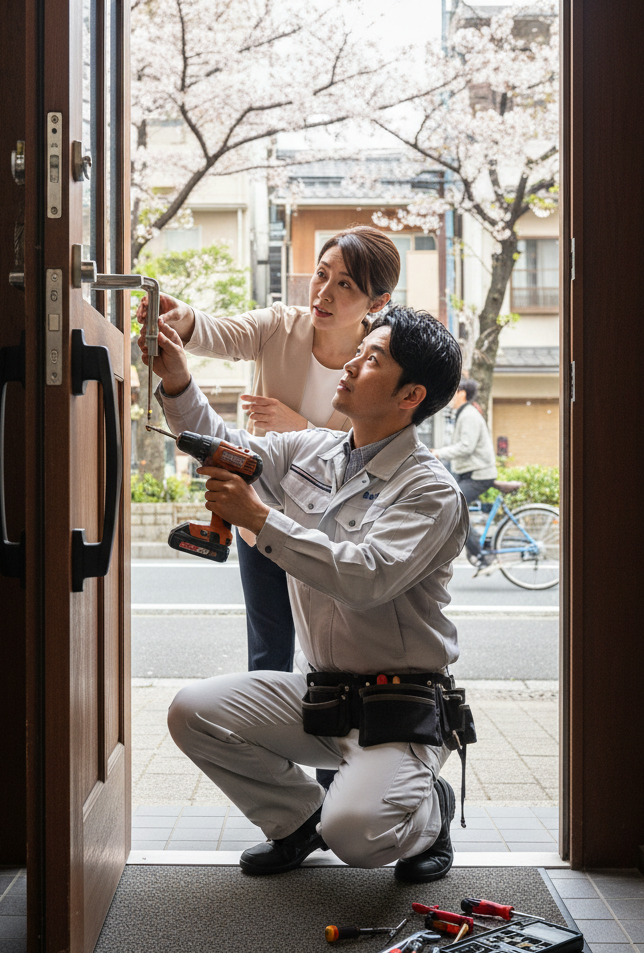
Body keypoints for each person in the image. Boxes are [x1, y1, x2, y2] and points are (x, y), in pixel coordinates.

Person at [140, 303, 468, 881]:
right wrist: (177, 380)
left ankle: (431, 812)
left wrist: (262, 521)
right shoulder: (310, 450)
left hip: (401, 705)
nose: (349, 366)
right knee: (192, 712)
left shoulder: (429, 490)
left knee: (360, 838)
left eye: (372, 360)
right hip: (324, 697)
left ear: (410, 395)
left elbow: (365, 578)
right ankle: (297, 820)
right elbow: (227, 449)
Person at [136, 228, 400, 684]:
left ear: (377, 303)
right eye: (322, 274)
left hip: (331, 533)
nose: (324, 292)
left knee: (335, 663)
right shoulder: (281, 325)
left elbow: (367, 452)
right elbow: (215, 331)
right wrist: (181, 320)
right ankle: (270, 753)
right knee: (268, 653)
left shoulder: (378, 362)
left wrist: (298, 427)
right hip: (256, 515)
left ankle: (330, 752)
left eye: (345, 285)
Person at [431, 378, 497, 571]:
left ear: (462, 394)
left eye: (455, 391)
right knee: (453, 507)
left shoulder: (469, 415)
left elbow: (466, 447)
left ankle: (483, 552)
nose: (451, 396)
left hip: (477, 474)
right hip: (468, 472)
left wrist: (439, 453)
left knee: (454, 509)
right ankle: (480, 549)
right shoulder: (463, 414)